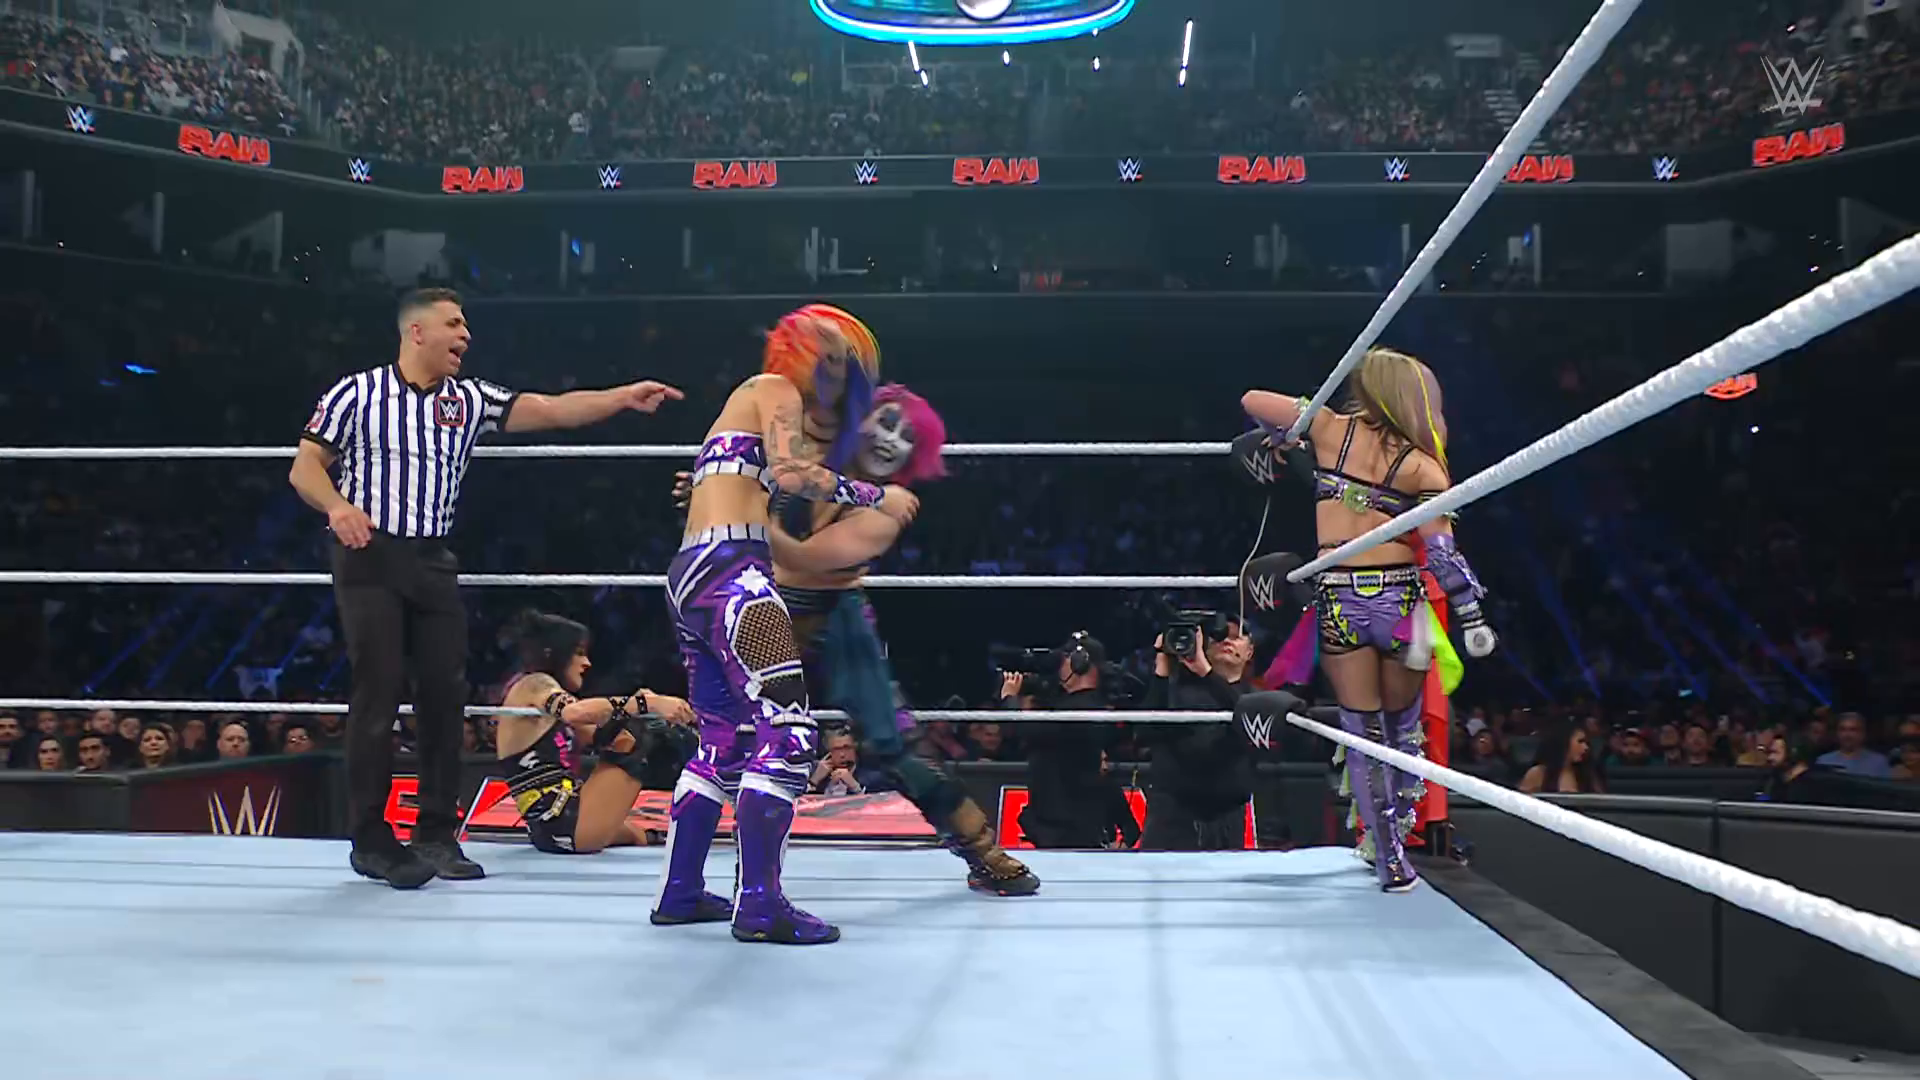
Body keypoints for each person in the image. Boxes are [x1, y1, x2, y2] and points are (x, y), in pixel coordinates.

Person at [289, 287, 682, 890]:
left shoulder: (468, 400)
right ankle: (369, 840)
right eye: (454, 324)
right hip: (368, 553)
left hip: (432, 557)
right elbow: (305, 468)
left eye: (466, 325)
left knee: (444, 696)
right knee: (379, 691)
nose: (465, 335)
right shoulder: (357, 393)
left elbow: (551, 410)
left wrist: (622, 397)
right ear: (416, 332)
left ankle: (436, 834)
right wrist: (338, 507)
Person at [651, 303, 919, 946]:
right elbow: (796, 472)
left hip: (691, 573)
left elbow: (749, 477)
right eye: (828, 356)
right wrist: (878, 496)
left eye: (843, 362)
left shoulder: (748, 405)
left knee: (721, 740)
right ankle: (761, 905)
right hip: (732, 573)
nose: (835, 371)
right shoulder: (774, 388)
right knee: (791, 731)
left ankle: (681, 891)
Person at [762, 384, 1040, 896]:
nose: (891, 440)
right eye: (886, 422)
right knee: (731, 728)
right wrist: (716, 497)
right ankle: (699, 871)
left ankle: (981, 850)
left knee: (894, 743)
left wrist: (731, 514)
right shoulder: (809, 462)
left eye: (906, 436)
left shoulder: (889, 511)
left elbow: (800, 559)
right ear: (862, 419)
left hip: (833, 618)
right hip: (759, 605)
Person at [1240, 347, 1496, 893]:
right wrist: (1472, 614)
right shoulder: (1424, 464)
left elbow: (1252, 399)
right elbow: (1442, 553)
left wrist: (1295, 428)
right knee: (1404, 730)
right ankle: (1396, 836)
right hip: (1405, 604)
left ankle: (1388, 857)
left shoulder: (1331, 429)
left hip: (1341, 601)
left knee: (1364, 734)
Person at [496, 611, 699, 857]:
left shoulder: (543, 705)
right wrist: (645, 704)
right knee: (645, 734)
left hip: (551, 828)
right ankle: (709, 790)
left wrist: (640, 704)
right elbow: (574, 713)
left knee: (639, 834)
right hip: (563, 820)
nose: (587, 663)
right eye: (579, 653)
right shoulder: (534, 684)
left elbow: (601, 735)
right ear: (555, 653)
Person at [1518, 722, 1606, 794]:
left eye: (1587, 743)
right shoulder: (1539, 773)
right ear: (1564, 742)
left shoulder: (1587, 774)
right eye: (1580, 741)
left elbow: (1599, 803)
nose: (1586, 747)